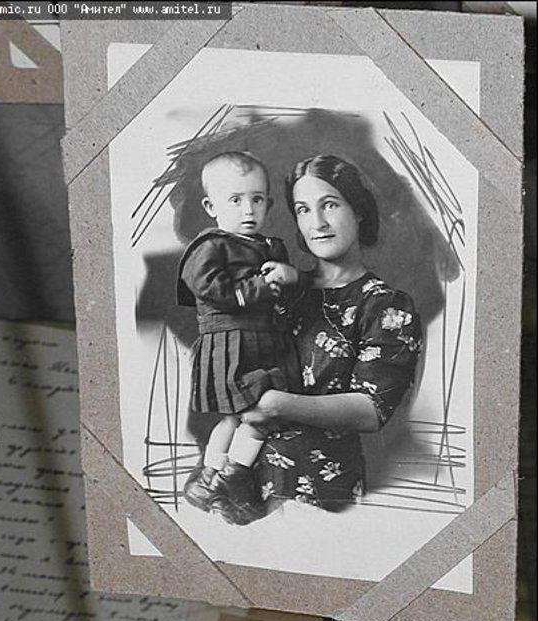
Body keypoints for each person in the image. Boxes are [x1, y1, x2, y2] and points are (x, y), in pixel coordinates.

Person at [228, 154, 423, 519]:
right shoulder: (279, 289)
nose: (316, 223)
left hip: (322, 490)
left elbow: (371, 410)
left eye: (329, 205)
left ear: (358, 210)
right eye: (303, 210)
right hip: (243, 477)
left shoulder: (385, 304)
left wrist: (276, 406)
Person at [177, 151, 302, 525]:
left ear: (268, 203)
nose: (248, 210)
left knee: (245, 417)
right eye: (235, 200)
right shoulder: (210, 246)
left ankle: (210, 481)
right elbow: (206, 286)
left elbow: (286, 296)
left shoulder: (271, 247)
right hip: (231, 345)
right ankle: (230, 476)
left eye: (257, 199)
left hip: (267, 342)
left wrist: (286, 281)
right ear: (211, 207)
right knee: (252, 416)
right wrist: (259, 287)